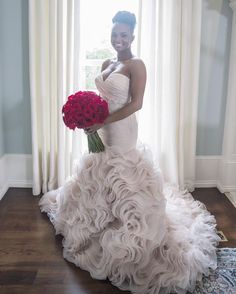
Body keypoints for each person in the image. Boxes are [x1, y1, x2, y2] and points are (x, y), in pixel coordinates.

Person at [39, 11, 220, 294]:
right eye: (114, 34)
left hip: (122, 129)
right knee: (99, 170)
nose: (118, 39)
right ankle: (98, 221)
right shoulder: (107, 61)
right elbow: (102, 99)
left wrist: (103, 121)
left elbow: (136, 103)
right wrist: (90, 121)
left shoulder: (137, 65)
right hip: (101, 128)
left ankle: (122, 228)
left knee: (123, 174)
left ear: (132, 36)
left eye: (123, 34)